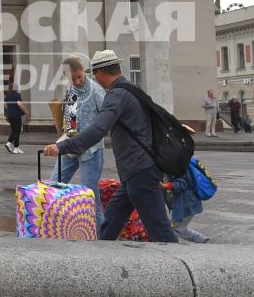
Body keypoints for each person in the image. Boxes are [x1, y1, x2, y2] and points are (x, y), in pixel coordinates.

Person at [42, 50, 178, 244]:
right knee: (111, 222)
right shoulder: (129, 89)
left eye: (92, 74)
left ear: (101, 72)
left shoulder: (115, 94)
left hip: (140, 172)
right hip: (132, 174)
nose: (92, 78)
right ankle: (100, 255)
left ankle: (183, 266)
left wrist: (63, 147)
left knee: (161, 231)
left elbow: (99, 128)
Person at [56, 54, 105, 190]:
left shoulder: (96, 91)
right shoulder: (72, 90)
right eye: (73, 79)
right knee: (54, 184)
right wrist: (66, 131)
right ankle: (57, 210)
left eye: (79, 76)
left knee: (90, 194)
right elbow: (70, 117)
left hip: (92, 149)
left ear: (84, 71)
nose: (78, 81)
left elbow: (108, 116)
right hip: (71, 144)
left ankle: (96, 212)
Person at [3, 85, 25, 153]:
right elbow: (19, 104)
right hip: (16, 115)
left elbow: (4, 103)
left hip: (10, 115)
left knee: (14, 130)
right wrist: (25, 111)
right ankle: (16, 148)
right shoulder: (17, 94)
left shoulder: (8, 95)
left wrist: (9, 110)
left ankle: (9, 143)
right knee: (17, 131)